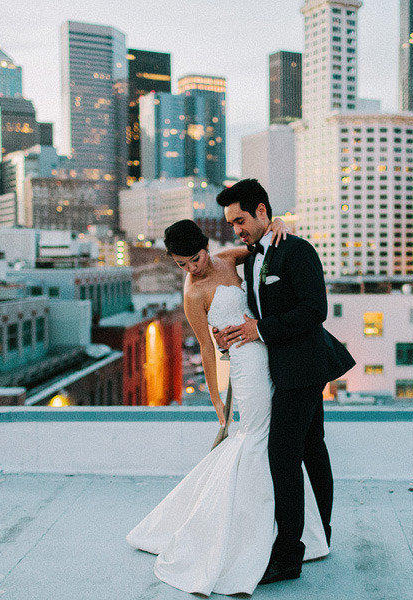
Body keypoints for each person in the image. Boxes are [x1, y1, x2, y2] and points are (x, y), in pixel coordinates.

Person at [126, 215, 330, 596]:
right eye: (182, 264)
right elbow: (206, 347)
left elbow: (261, 248)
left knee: (279, 441)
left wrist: (280, 224)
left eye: (195, 259)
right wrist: (216, 396)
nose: (191, 268)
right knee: (258, 437)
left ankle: (283, 530)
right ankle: (250, 533)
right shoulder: (192, 294)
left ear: (206, 247)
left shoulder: (227, 258)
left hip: (271, 351)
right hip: (246, 366)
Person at [213, 179, 355, 585]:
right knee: (312, 448)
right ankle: (319, 535)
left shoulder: (297, 250)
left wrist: (260, 329)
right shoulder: (255, 251)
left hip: (305, 368)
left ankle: (289, 554)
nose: (236, 229)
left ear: (262, 212)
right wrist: (237, 334)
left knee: (282, 453)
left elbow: (316, 310)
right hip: (283, 369)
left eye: (240, 220)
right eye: (230, 223)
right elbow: (222, 261)